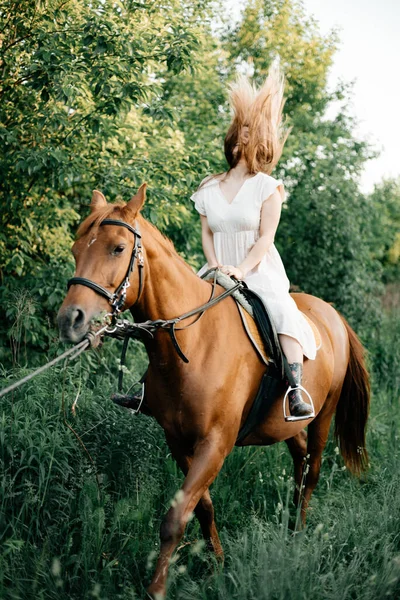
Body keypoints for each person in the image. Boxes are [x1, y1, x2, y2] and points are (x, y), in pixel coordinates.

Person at [190, 66, 316, 420]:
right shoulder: (209, 186)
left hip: (256, 269)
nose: (244, 134)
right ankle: (148, 387)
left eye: (251, 129)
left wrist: (241, 269)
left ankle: (295, 389)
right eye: (241, 128)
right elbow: (207, 233)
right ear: (233, 135)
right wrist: (215, 265)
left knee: (282, 311)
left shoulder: (268, 187)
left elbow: (265, 238)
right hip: (217, 267)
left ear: (260, 138)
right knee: (179, 312)